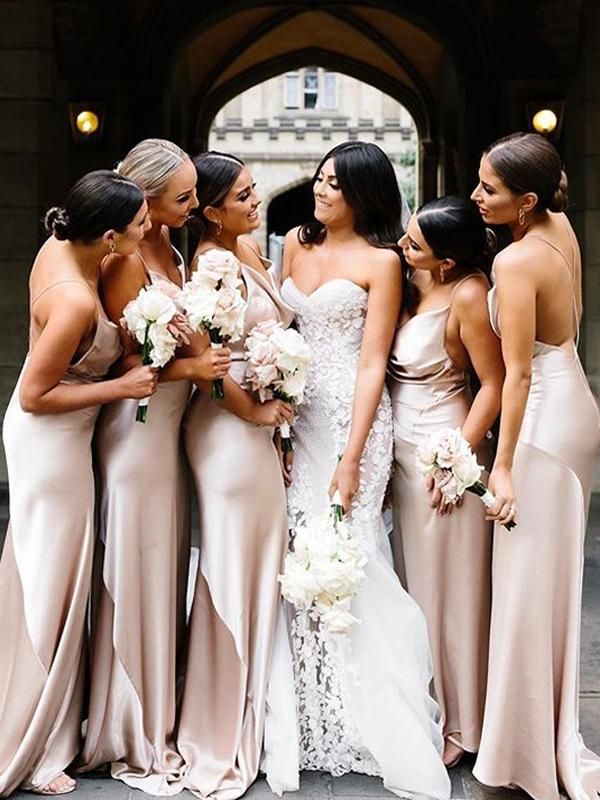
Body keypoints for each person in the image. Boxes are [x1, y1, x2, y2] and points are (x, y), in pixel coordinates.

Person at [263, 141, 451, 800]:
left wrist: (349, 456)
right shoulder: (292, 243)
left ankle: (364, 714)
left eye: (335, 184)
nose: (320, 189)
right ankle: (310, 713)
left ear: (365, 194)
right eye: (318, 178)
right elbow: (282, 329)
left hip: (353, 424)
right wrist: (277, 415)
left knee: (348, 555)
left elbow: (373, 363)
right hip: (296, 414)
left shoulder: (382, 262)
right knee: (295, 554)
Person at [79, 140, 230, 794]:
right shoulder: (122, 256)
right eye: (183, 198)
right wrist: (192, 366)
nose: (195, 207)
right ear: (143, 198)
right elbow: (120, 359)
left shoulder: (171, 245)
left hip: (168, 432)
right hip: (136, 432)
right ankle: (131, 725)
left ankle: (160, 707)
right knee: (137, 564)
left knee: (165, 565)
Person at [0, 170, 157, 797]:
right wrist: (122, 386)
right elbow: (35, 395)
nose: (151, 231)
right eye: (143, 223)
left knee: (51, 578)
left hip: (62, 441)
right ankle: (31, 745)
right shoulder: (72, 298)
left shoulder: (64, 244)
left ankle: (46, 720)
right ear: (112, 236)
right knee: (52, 588)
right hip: (50, 445)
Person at [470, 132, 600, 800]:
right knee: (544, 584)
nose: (474, 196)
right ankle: (529, 738)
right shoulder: (562, 227)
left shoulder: (516, 262)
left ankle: (516, 757)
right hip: (573, 398)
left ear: (525, 201)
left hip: (543, 423)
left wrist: (503, 466)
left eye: (488, 188)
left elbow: (516, 375)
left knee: (524, 586)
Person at [176, 151, 296, 800]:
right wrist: (259, 412)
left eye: (255, 190)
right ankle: (219, 721)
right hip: (226, 432)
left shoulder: (249, 249)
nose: (255, 201)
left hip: (257, 431)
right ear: (210, 212)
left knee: (260, 562)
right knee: (228, 564)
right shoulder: (215, 265)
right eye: (244, 196)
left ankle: (254, 698)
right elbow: (211, 365)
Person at [388, 196, 504, 767]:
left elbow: (493, 383)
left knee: (452, 594)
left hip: (443, 453)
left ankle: (463, 723)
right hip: (402, 454)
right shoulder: (413, 285)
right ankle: (422, 707)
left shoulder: (469, 295)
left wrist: (458, 456)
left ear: (447, 263)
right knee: (414, 590)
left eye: (414, 245)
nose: (403, 248)